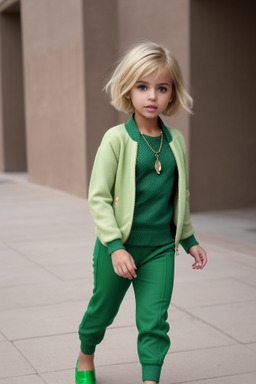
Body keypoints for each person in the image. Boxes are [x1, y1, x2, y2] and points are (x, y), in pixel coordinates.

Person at [75, 41, 207, 384]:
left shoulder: (175, 140)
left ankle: (151, 379)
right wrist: (115, 246)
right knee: (101, 312)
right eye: (142, 87)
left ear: (172, 93)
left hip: (161, 248)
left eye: (161, 88)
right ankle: (85, 355)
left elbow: (181, 195)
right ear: (128, 90)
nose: (152, 96)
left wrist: (189, 238)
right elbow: (98, 197)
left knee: (154, 321)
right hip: (118, 247)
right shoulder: (116, 139)